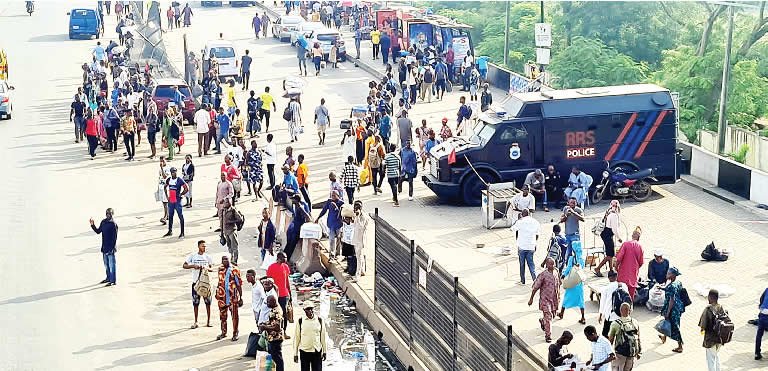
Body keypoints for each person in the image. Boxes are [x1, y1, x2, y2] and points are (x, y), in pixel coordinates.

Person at [183, 240, 213, 329]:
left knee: (208, 302)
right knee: (195, 303)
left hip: (206, 283)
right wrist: (193, 266)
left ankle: (208, 321)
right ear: (198, 246)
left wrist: (206, 268)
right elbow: (184, 265)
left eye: (205, 246)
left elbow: (212, 268)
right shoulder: (193, 256)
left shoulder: (208, 257)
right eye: (202, 246)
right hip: (196, 282)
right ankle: (196, 321)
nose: (204, 247)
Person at [529, 257, 560, 343]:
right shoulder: (543, 275)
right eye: (550, 264)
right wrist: (531, 299)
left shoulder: (556, 272)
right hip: (545, 300)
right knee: (549, 316)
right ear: (547, 264)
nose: (553, 266)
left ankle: (543, 321)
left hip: (554, 299)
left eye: (554, 264)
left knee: (552, 315)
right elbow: (535, 288)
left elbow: (559, 283)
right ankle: (548, 336)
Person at [215, 256, 242, 341]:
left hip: (232, 296)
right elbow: (219, 281)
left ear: (229, 260)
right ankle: (223, 332)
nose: (225, 261)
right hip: (222, 296)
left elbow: (238, 284)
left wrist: (240, 297)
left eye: (226, 259)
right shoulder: (220, 269)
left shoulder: (235, 270)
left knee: (234, 315)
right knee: (222, 315)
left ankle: (235, 333)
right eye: (223, 259)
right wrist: (217, 292)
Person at [559, 238, 586, 324]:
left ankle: (561, 313)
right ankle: (583, 317)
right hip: (579, 282)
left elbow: (568, 269)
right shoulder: (581, 259)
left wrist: (563, 275)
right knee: (581, 299)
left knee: (567, 297)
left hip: (572, 281)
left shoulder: (571, 258)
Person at [608, 302, 641, 370]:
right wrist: (638, 352)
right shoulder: (635, 322)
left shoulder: (615, 324)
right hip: (631, 353)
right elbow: (638, 338)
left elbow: (610, 341)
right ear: (630, 311)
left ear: (620, 311)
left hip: (620, 354)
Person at [294, 302, 327, 370]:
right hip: (304, 352)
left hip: (317, 351)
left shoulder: (319, 320)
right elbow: (297, 338)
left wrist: (324, 351)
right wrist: (295, 353)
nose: (310, 311)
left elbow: (323, 337)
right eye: (308, 309)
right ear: (304, 310)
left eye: (311, 309)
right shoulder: (300, 321)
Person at [90, 208, 118, 286]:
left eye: (110, 214)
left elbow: (114, 238)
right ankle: (108, 278)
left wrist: (112, 248)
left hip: (110, 248)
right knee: (106, 264)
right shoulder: (103, 222)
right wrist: (92, 225)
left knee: (112, 265)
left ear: (112, 214)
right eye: (107, 214)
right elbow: (98, 231)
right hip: (104, 247)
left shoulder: (113, 224)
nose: (108, 215)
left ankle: (113, 281)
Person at [660, 267, 685, 353]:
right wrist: (662, 288)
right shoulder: (677, 283)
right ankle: (664, 337)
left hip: (673, 309)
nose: (667, 274)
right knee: (667, 322)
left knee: (674, 326)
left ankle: (680, 345)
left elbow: (672, 300)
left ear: (673, 275)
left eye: (668, 273)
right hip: (678, 307)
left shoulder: (672, 286)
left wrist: (668, 312)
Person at [267, 252, 292, 338]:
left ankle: (284, 331)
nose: (286, 259)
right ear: (279, 258)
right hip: (275, 295)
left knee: (284, 314)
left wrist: (290, 293)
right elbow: (269, 282)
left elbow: (287, 281)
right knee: (275, 314)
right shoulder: (271, 268)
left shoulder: (285, 267)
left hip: (284, 294)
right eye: (284, 257)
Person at [699, 289, 725, 371]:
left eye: (708, 297)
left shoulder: (708, 310)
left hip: (710, 339)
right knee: (716, 356)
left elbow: (702, 325)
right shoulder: (721, 307)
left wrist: (702, 330)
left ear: (711, 297)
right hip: (720, 338)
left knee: (710, 360)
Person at [616, 227, 645, 299]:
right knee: (630, 296)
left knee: (621, 293)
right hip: (633, 274)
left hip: (623, 273)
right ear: (639, 237)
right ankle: (629, 308)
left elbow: (618, 258)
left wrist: (616, 267)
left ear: (632, 236)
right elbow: (641, 262)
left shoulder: (625, 244)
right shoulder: (640, 247)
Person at [512, 209, 539, 285]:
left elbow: (512, 229)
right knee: (531, 264)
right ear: (529, 214)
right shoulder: (535, 222)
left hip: (522, 246)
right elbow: (537, 234)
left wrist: (518, 220)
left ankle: (522, 281)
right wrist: (535, 243)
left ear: (522, 214)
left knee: (522, 264)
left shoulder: (520, 222)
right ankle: (535, 280)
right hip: (531, 246)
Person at [594, 200, 622, 276]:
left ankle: (611, 269)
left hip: (605, 234)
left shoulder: (608, 212)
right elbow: (614, 229)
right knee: (610, 255)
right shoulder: (614, 215)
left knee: (610, 253)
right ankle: (598, 268)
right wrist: (619, 238)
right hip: (608, 235)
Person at [259, 295, 285, 371]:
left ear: (273, 301)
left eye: (268, 302)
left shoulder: (277, 311)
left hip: (276, 338)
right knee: (274, 358)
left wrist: (265, 327)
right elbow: (273, 323)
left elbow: (277, 327)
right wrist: (265, 324)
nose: (267, 304)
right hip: (272, 337)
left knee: (277, 359)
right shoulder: (273, 309)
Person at [317, 190, 344, 258]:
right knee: (331, 239)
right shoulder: (329, 202)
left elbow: (343, 213)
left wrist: (336, 208)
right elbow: (324, 210)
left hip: (338, 224)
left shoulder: (341, 203)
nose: (333, 197)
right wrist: (318, 218)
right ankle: (332, 254)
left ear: (338, 196)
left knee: (339, 239)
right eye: (332, 195)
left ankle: (337, 253)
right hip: (331, 224)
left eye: (334, 195)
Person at [164, 167, 188, 238]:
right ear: (171, 173)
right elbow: (165, 187)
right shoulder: (169, 179)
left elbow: (186, 188)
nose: (174, 173)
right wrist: (167, 197)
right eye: (172, 172)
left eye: (175, 172)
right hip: (171, 200)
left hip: (177, 200)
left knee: (180, 216)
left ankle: (182, 233)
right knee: (170, 216)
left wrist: (181, 194)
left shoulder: (179, 180)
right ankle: (170, 231)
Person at [598, 271, 621, 337]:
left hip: (610, 316)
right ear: (616, 277)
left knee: (605, 334)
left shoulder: (606, 288)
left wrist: (600, 315)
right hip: (621, 315)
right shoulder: (623, 285)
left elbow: (602, 303)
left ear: (608, 278)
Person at [221, 199, 244, 264]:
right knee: (229, 246)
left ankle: (235, 260)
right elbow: (222, 221)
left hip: (232, 230)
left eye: (227, 202)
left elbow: (240, 219)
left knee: (234, 246)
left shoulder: (233, 210)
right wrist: (222, 233)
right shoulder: (223, 210)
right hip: (226, 231)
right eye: (225, 202)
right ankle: (231, 257)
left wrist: (230, 222)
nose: (225, 204)